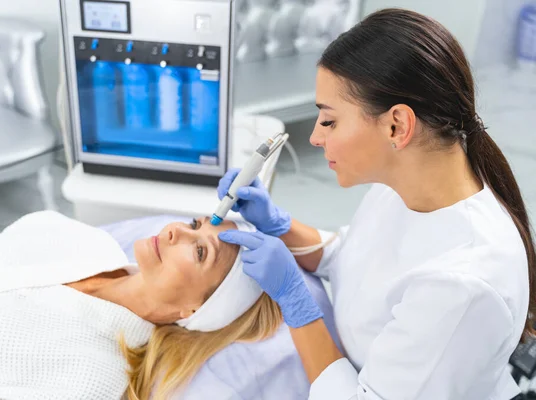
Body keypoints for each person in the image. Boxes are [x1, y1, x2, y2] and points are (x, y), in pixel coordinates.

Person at [217, 8, 536, 400]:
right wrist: (280, 226)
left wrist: (295, 301)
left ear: (396, 126)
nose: (315, 138)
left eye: (329, 121)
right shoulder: (403, 185)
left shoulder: (462, 285)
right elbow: (354, 260)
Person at [0, 212, 281, 400]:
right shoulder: (75, 236)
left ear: (195, 310)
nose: (177, 232)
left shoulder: (95, 377)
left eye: (200, 251)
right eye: (195, 224)